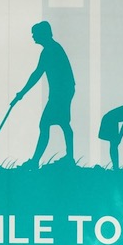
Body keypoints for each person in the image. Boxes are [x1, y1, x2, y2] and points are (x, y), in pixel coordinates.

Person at [11, 21, 75, 168]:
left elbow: (37, 74)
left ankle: (36, 161)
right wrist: (22, 93)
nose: (33, 36)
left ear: (43, 34)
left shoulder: (50, 50)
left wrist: (22, 93)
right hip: (62, 92)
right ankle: (69, 158)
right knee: (63, 123)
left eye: (35, 33)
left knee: (47, 124)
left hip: (61, 93)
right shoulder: (52, 48)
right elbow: (38, 73)